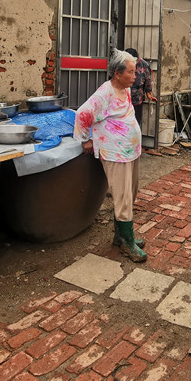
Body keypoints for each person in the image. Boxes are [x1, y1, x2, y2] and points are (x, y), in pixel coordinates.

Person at [74, 49, 146, 262]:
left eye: (135, 71)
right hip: (116, 153)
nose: (135, 76)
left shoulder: (125, 89)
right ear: (117, 73)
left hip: (130, 152)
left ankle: (120, 236)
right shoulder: (104, 93)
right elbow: (82, 114)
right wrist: (86, 140)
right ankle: (127, 242)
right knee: (122, 196)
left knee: (130, 192)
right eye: (131, 72)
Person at [124, 48, 157, 128]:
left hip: (137, 99)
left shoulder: (144, 65)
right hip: (123, 99)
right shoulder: (123, 64)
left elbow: (148, 80)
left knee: (135, 123)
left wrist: (148, 93)